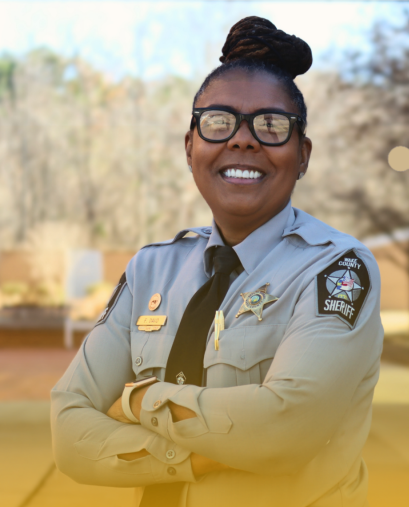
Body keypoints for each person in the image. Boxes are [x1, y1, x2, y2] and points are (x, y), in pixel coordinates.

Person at [49, 17, 383, 507]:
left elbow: (286, 427)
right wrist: (198, 456)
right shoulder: (150, 271)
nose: (243, 140)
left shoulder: (335, 271)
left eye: (271, 125)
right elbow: (69, 433)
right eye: (219, 122)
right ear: (191, 147)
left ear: (303, 154)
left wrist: (139, 400)